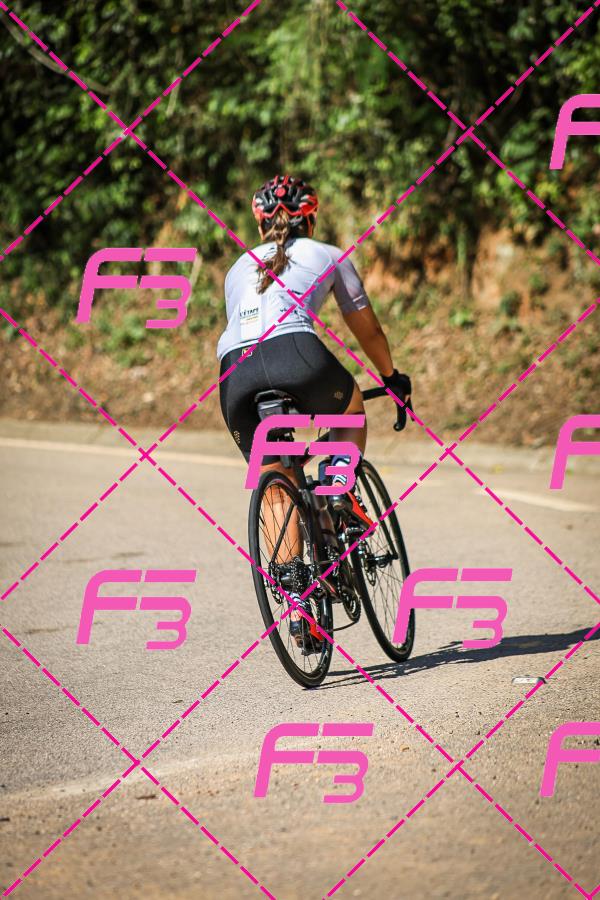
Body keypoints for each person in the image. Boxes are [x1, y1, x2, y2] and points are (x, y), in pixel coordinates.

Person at [217, 174, 411, 652]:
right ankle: (337, 489)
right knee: (350, 408)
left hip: (235, 374)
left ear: (259, 224)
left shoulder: (237, 267)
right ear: (312, 217)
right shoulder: (328, 254)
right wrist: (391, 377)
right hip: (297, 355)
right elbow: (367, 329)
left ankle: (298, 601)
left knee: (276, 482)